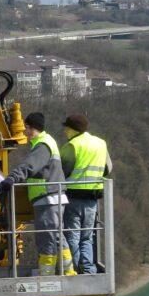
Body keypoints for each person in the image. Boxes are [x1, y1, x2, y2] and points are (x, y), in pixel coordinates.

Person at [0, 112, 76, 276]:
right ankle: (67, 271)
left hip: (47, 197)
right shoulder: (46, 143)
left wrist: (12, 178)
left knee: (46, 237)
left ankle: (46, 274)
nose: (25, 132)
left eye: (26, 128)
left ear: (32, 128)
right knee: (56, 236)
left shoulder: (43, 145)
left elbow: (30, 165)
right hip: (52, 197)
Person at [60, 113, 112, 274]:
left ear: (73, 129)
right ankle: (89, 268)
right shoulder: (100, 143)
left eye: (66, 128)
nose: (64, 132)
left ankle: (76, 267)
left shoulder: (72, 146)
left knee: (72, 235)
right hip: (92, 198)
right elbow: (108, 168)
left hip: (73, 197)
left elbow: (63, 171)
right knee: (87, 236)